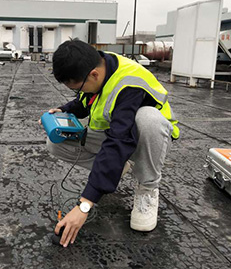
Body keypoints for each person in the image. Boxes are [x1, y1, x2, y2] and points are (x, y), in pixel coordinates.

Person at [45, 39, 179, 248]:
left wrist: (85, 205)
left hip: (147, 139)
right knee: (57, 141)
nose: (77, 91)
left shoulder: (129, 83)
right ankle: (118, 168)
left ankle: (147, 187)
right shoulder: (98, 64)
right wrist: (65, 110)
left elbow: (118, 141)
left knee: (147, 118)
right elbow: (85, 100)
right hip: (115, 134)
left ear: (94, 75)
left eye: (76, 87)